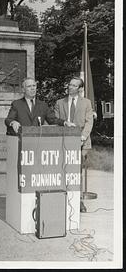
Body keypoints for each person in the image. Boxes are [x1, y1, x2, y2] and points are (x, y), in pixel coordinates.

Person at [54, 76, 94, 213]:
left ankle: (78, 200)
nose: (70, 87)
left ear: (80, 89)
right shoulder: (60, 102)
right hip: (64, 142)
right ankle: (62, 197)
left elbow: (89, 122)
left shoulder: (86, 103)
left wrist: (82, 137)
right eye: (69, 84)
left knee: (77, 172)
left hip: (82, 143)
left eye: (74, 85)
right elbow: (56, 121)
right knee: (62, 170)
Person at [5, 78, 75, 135]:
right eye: (29, 86)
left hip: (38, 141)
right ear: (23, 89)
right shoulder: (17, 104)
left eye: (34, 86)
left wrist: (65, 123)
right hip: (22, 140)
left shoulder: (43, 105)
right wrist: (13, 122)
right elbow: (8, 119)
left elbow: (52, 120)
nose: (32, 88)